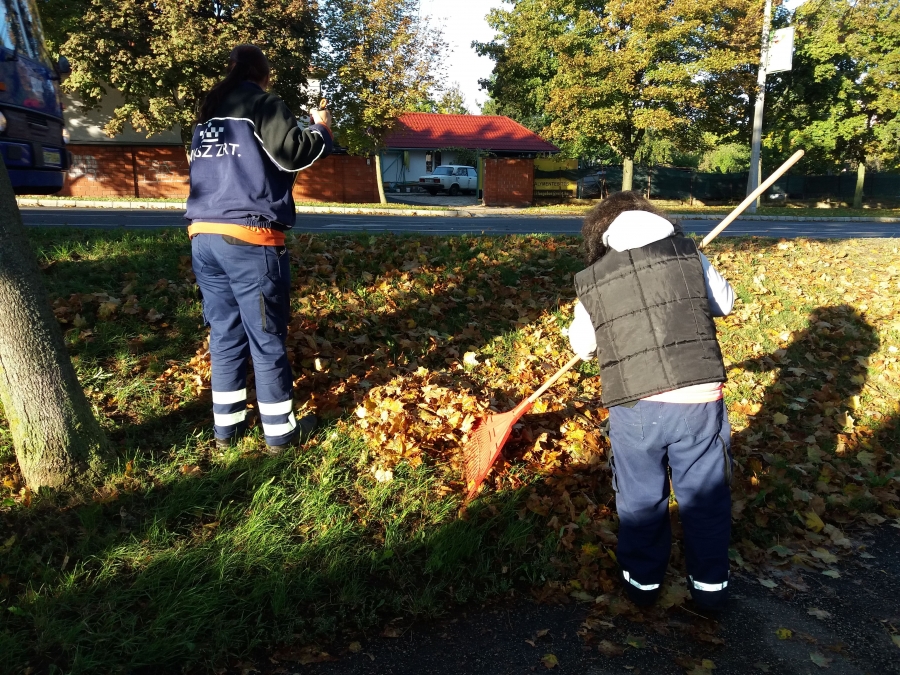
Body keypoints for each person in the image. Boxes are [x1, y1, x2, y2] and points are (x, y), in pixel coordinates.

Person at [567, 191, 736, 612]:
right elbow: (725, 304)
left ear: (600, 231)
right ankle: (710, 588)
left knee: (640, 495)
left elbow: (583, 345)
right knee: (705, 495)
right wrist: (695, 265)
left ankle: (641, 585)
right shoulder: (687, 254)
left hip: (634, 404)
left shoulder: (594, 277)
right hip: (698, 399)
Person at [185, 44, 333, 452]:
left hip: (203, 236)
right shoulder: (263, 104)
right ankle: (280, 436)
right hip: (250, 239)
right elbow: (292, 154)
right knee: (266, 339)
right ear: (262, 73)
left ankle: (225, 433)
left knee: (225, 336)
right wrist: (321, 128)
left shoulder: (207, 112)